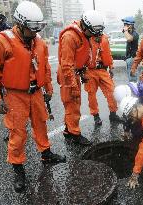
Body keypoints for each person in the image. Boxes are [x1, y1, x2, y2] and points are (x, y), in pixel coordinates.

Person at [0, 1, 66, 193]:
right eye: (32, 29)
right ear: (20, 24)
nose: (35, 32)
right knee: (18, 133)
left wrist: (48, 89)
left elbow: (45, 67)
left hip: (36, 92)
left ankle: (46, 153)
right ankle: (18, 168)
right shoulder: (3, 40)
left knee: (41, 124)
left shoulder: (38, 41)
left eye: (37, 28)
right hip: (15, 95)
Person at [57, 10, 106, 145]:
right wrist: (73, 86)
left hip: (75, 71)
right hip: (68, 73)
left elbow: (82, 56)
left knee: (71, 103)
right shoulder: (70, 37)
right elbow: (67, 65)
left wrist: (83, 72)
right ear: (85, 26)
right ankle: (75, 134)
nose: (94, 36)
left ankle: (68, 130)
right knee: (73, 103)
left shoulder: (85, 33)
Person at [84, 25, 121, 127]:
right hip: (90, 71)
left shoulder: (105, 38)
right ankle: (96, 116)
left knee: (112, 91)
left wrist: (111, 66)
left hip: (103, 70)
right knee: (91, 95)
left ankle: (113, 114)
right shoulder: (86, 37)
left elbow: (108, 53)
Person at [121, 16, 139, 82]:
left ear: (131, 25)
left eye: (126, 25)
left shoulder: (135, 34)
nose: (125, 26)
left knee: (133, 79)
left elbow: (129, 39)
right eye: (124, 24)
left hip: (133, 58)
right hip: (129, 58)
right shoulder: (130, 33)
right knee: (130, 78)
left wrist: (125, 30)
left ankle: (134, 90)